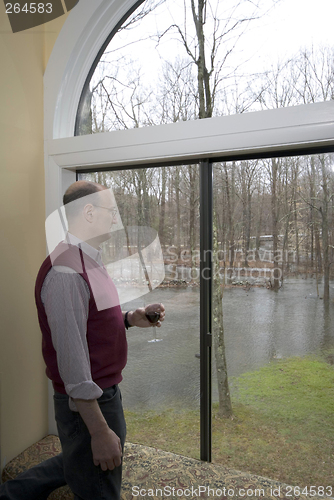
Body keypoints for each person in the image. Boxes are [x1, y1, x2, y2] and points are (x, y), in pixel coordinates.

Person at [0, 180, 165, 500]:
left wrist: (132, 318)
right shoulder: (65, 272)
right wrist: (100, 430)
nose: (116, 218)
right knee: (99, 483)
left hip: (104, 393)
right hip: (88, 402)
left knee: (79, 460)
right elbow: (73, 360)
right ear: (88, 212)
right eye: (111, 211)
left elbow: (92, 321)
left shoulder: (90, 258)